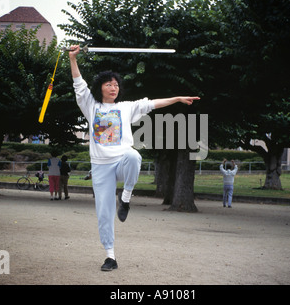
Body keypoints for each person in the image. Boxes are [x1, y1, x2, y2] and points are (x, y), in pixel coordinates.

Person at [69, 45, 200, 271]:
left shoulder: (126, 107)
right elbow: (79, 85)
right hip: (101, 168)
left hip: (121, 162)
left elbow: (153, 103)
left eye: (116, 84)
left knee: (133, 155)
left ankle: (126, 197)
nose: (113, 87)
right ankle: (110, 256)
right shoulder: (91, 106)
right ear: (100, 87)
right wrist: (73, 59)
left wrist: (177, 98)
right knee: (104, 212)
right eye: (109, 84)